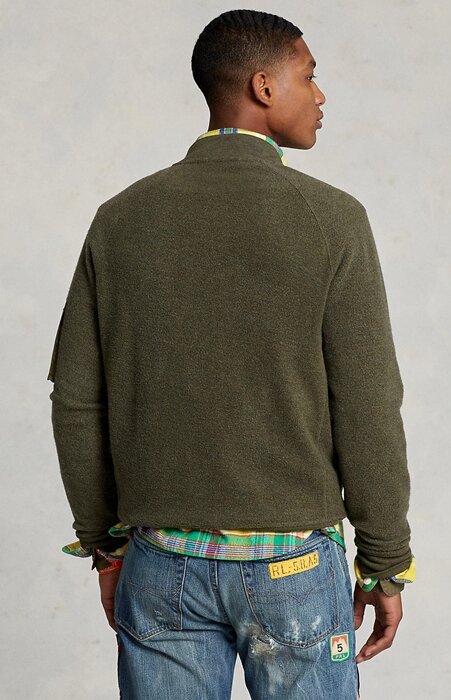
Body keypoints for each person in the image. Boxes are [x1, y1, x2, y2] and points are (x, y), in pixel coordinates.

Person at [47, 9, 416, 699]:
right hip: (293, 567)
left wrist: (104, 545)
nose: (321, 95)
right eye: (309, 76)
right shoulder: (333, 220)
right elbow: (367, 405)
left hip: (160, 563)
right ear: (263, 86)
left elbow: (76, 401)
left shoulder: (121, 219)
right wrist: (384, 562)